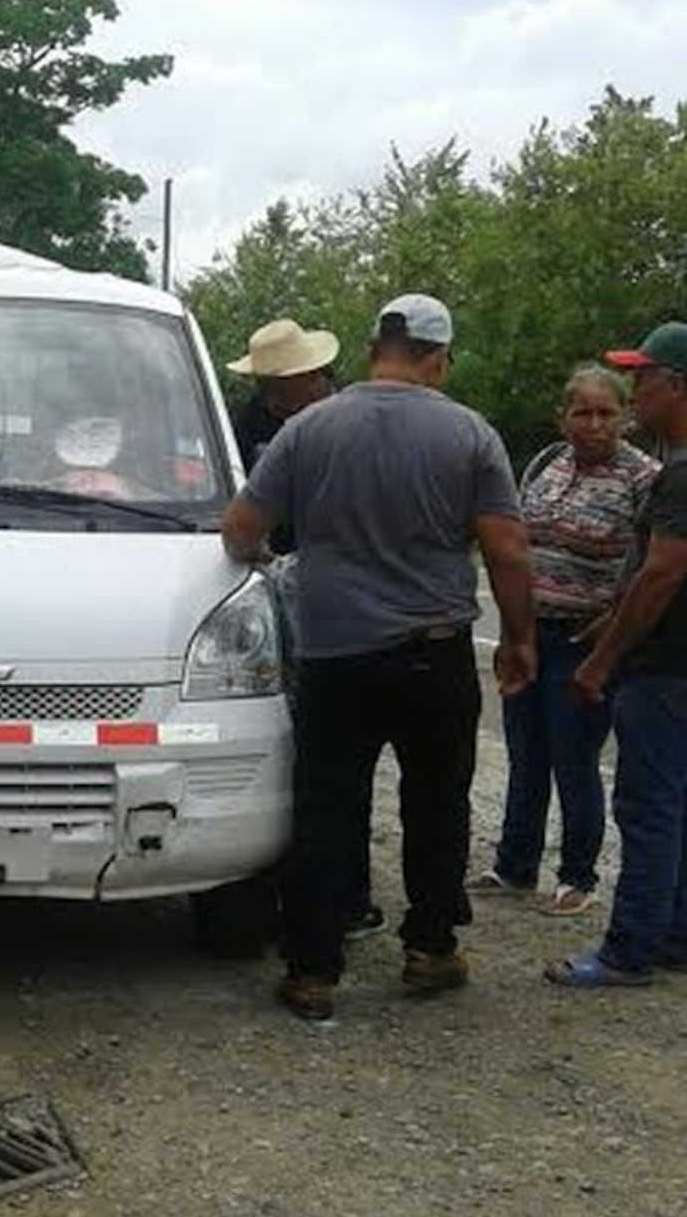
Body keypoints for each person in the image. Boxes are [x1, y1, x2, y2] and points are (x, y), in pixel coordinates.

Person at [222, 293, 536, 1021]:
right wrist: (520, 639)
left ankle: (313, 972)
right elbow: (508, 550)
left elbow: (239, 529)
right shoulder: (470, 434)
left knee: (327, 809)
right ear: (438, 356)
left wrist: (276, 562)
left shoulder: (309, 430)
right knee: (435, 802)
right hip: (434, 654)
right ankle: (429, 948)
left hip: (336, 658)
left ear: (373, 347)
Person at [470, 366, 660, 913]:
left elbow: (652, 566)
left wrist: (615, 624)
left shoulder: (642, 479)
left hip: (587, 637)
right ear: (564, 417)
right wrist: (514, 628)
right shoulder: (548, 465)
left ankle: (578, 875)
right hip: (531, 630)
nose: (595, 424)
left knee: (574, 757)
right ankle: (514, 865)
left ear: (625, 417)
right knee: (525, 752)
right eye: (583, 412)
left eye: (607, 413)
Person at [227, 317, 387, 938]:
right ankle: (279, 879)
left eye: (277, 381)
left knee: (336, 757)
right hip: (270, 580)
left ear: (308, 377)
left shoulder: (346, 422)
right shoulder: (251, 420)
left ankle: (343, 897)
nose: (268, 393)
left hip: (335, 596)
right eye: (264, 383)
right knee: (286, 744)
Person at [547, 322, 687, 987]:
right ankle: (673, 935)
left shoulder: (679, 473)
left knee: (648, 805)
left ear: (675, 386)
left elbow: (661, 574)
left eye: (643, 379)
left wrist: (602, 657)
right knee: (675, 803)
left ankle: (630, 950)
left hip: (665, 668)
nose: (636, 393)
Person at [228, 318, 339, 474]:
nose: (271, 399)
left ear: (310, 376)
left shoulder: (351, 414)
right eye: (263, 386)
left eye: (281, 388)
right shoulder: (252, 422)